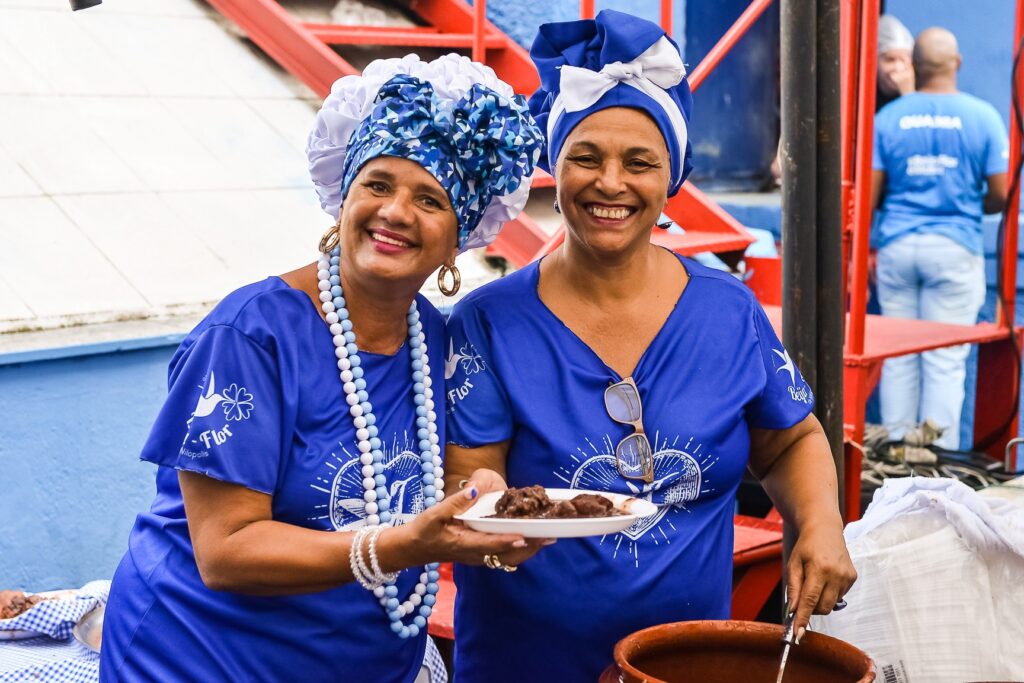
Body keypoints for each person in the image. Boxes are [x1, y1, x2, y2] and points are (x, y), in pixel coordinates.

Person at [99, 54, 545, 682]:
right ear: (343, 199)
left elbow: (447, 485)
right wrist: (405, 546)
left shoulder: (438, 342)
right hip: (203, 660)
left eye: (430, 199)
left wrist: (490, 511)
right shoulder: (251, 335)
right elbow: (226, 551)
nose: (395, 212)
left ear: (459, 239)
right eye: (378, 184)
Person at [443, 11, 857, 682]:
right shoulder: (490, 322)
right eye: (586, 156)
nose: (611, 183)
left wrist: (819, 522)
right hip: (524, 665)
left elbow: (789, 439)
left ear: (672, 176)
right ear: (555, 165)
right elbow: (471, 478)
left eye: (640, 162)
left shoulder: (727, 311)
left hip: (682, 664)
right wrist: (483, 507)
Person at [872, 27, 1009, 450]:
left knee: (898, 357)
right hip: (954, 248)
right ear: (958, 63)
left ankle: (895, 456)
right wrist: (967, 203)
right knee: (945, 360)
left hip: (897, 248)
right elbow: (1002, 195)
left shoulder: (888, 118)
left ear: (915, 64)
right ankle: (936, 460)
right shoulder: (983, 116)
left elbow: (873, 194)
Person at [877, 15, 916, 110]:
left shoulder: (920, 92)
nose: (898, 68)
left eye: (903, 60)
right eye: (890, 60)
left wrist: (908, 95)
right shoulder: (864, 95)